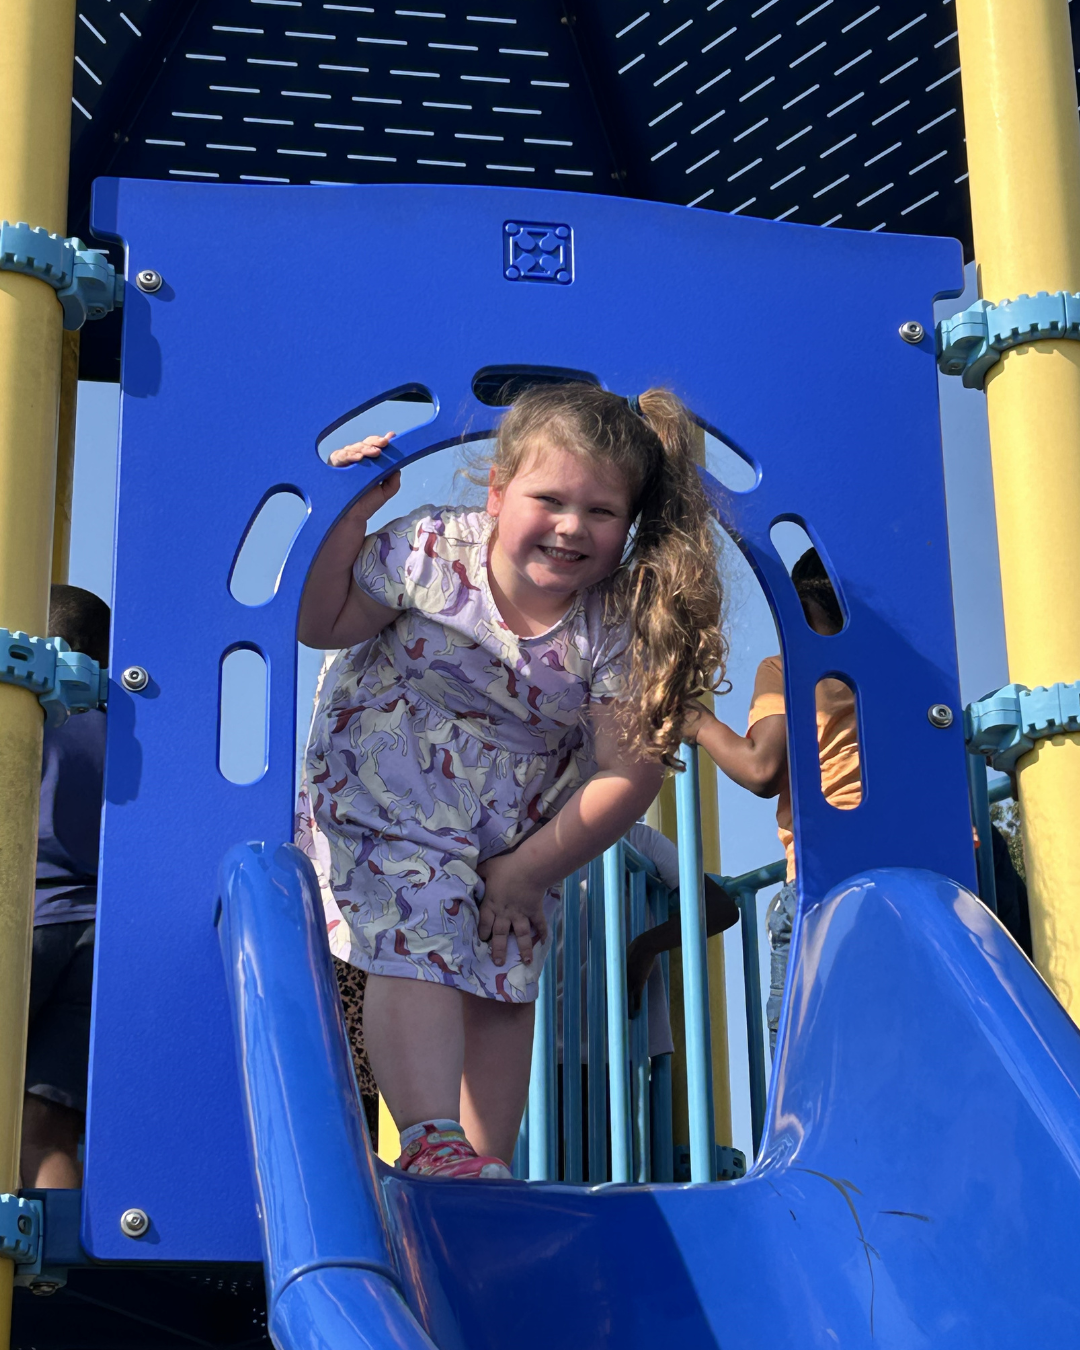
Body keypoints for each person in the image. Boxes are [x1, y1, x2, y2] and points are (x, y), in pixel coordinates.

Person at [296, 383, 724, 1179]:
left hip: (512, 823)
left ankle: (480, 1165)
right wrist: (344, 518)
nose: (570, 527)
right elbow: (321, 623)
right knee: (419, 927)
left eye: (600, 513)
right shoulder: (428, 551)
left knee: (503, 966)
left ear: (628, 526)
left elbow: (626, 778)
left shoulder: (614, 625)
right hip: (385, 785)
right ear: (497, 491)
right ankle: (431, 1138)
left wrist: (526, 874)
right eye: (548, 498)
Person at [688, 548, 859, 1053]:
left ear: (800, 609)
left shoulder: (791, 668)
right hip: (940, 870)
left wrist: (700, 725)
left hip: (826, 876)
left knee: (800, 1056)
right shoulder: (903, 673)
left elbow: (763, 769)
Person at [20, 584, 110, 1188]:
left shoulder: (20, 715)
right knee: (46, 1121)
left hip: (24, 920)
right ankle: (49, 1262)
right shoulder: (123, 734)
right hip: (99, 935)